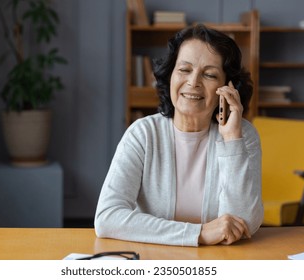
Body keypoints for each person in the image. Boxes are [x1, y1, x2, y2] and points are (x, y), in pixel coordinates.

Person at [94, 24, 263, 247]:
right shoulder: (143, 133)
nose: (193, 82)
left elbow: (243, 224)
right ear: (170, 75)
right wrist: (198, 234)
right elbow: (107, 217)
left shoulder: (242, 135)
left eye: (209, 74)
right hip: (153, 257)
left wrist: (232, 141)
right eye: (184, 70)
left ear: (227, 88)